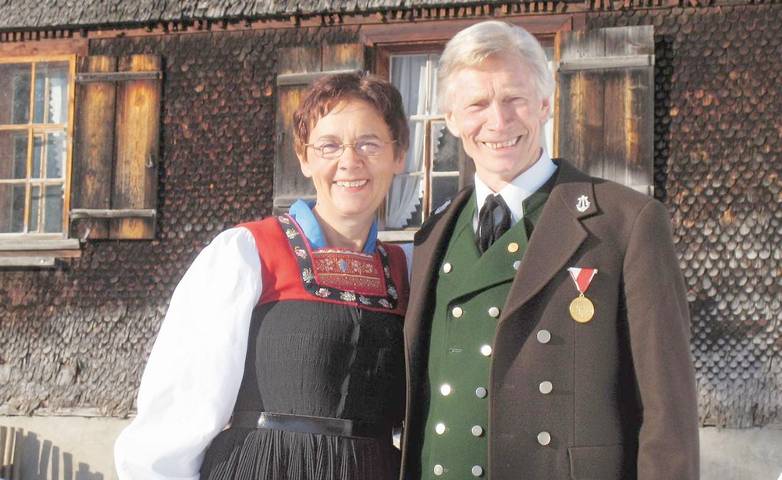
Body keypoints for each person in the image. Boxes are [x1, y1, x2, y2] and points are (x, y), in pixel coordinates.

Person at [399, 21, 699, 480]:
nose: (498, 121)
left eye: (514, 98)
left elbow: (668, 412)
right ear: (452, 119)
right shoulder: (432, 234)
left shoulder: (624, 222)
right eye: (477, 104)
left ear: (544, 104)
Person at [114, 72, 411, 480]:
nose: (350, 161)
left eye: (369, 144)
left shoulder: (408, 270)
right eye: (329, 145)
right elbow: (181, 405)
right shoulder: (247, 253)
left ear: (399, 155)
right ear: (304, 158)